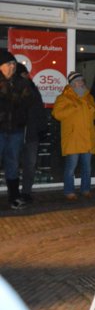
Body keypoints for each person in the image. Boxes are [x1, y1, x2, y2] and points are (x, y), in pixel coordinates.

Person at [52, 71, 95, 201]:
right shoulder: (63, 98)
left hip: (87, 138)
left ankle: (86, 189)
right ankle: (69, 191)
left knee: (87, 167)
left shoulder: (88, 97)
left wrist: (94, 110)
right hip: (73, 138)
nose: (81, 83)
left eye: (82, 80)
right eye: (79, 81)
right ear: (72, 83)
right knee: (70, 168)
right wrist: (74, 108)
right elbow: (57, 114)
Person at [0, 50, 34, 210]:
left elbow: (28, 104)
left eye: (13, 64)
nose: (12, 67)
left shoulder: (21, 83)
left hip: (15, 130)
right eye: (8, 64)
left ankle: (14, 197)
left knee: (13, 163)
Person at [16, 63, 46, 204]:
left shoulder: (33, 90)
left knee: (29, 164)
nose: (26, 77)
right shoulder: (12, 90)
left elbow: (39, 110)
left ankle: (26, 192)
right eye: (23, 75)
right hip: (15, 134)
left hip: (31, 134)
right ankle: (15, 192)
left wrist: (41, 129)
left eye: (26, 74)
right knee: (14, 164)